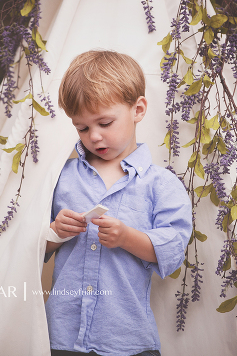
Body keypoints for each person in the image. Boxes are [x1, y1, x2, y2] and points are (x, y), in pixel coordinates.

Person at [44, 50, 192, 356]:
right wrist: (56, 232)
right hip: (62, 338)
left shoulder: (161, 185)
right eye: (82, 128)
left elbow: (172, 249)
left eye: (105, 123)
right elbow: (27, 249)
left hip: (128, 340)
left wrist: (126, 237)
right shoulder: (61, 177)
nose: (94, 137)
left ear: (137, 109)